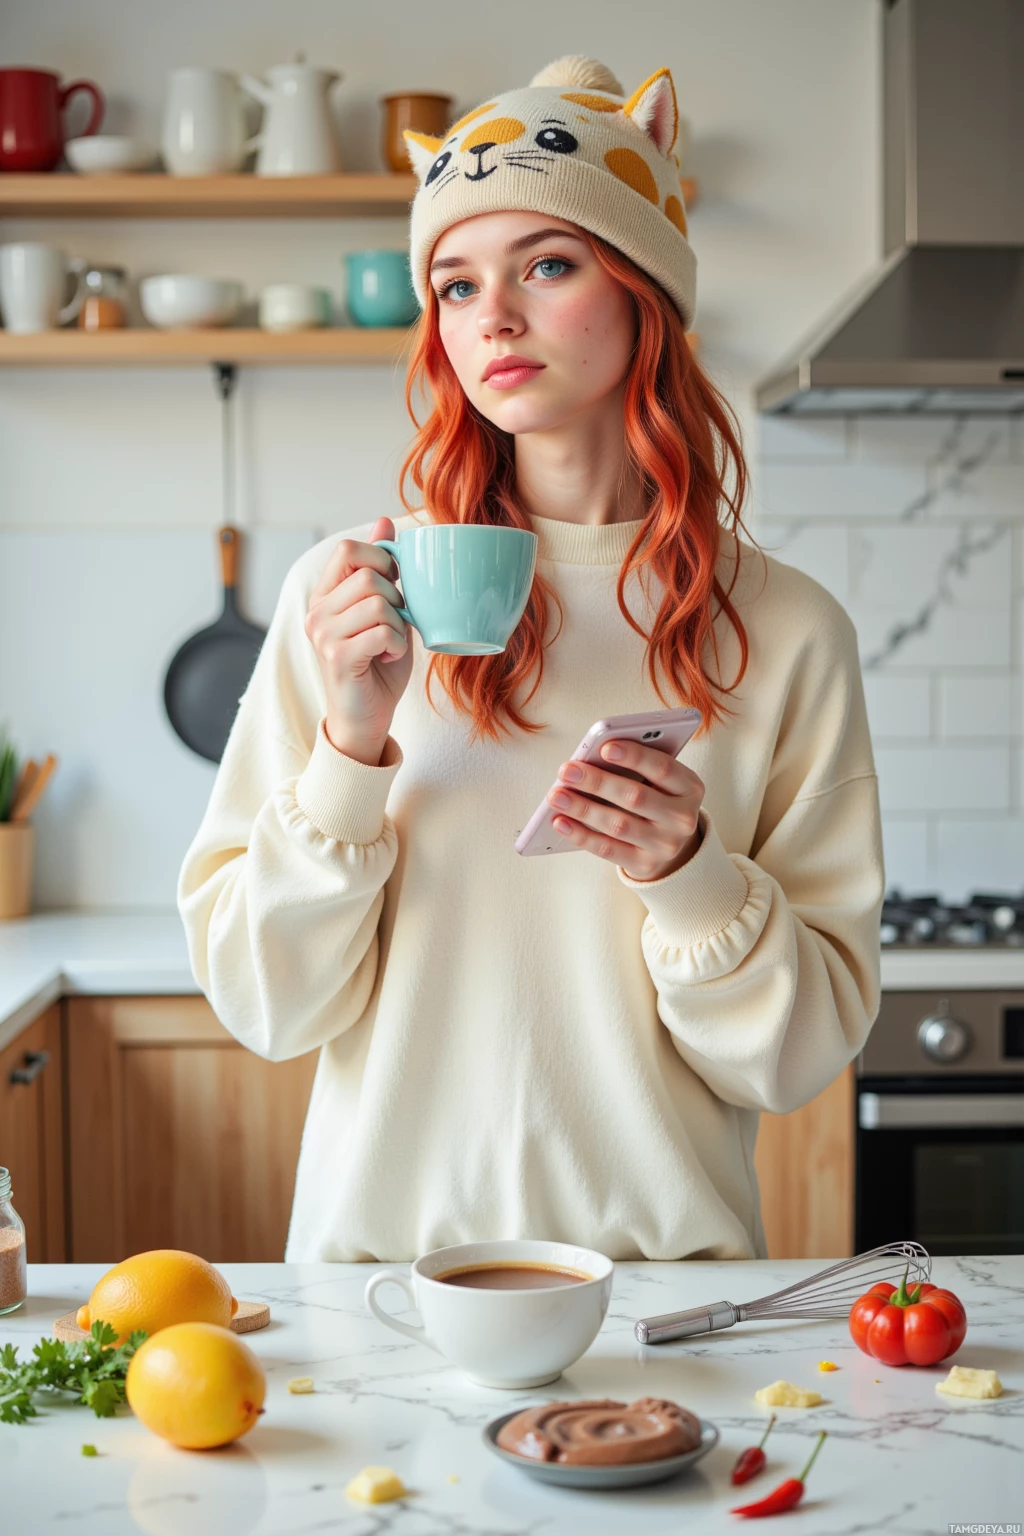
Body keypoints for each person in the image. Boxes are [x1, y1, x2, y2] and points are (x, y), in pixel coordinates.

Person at [178, 56, 884, 1263]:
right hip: (382, 1296)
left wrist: (689, 870)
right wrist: (352, 747)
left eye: (545, 266)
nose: (490, 318)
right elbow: (269, 1007)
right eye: (455, 285)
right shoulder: (347, 599)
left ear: (643, 291)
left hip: (663, 1305)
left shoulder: (786, 632)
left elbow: (794, 1056)